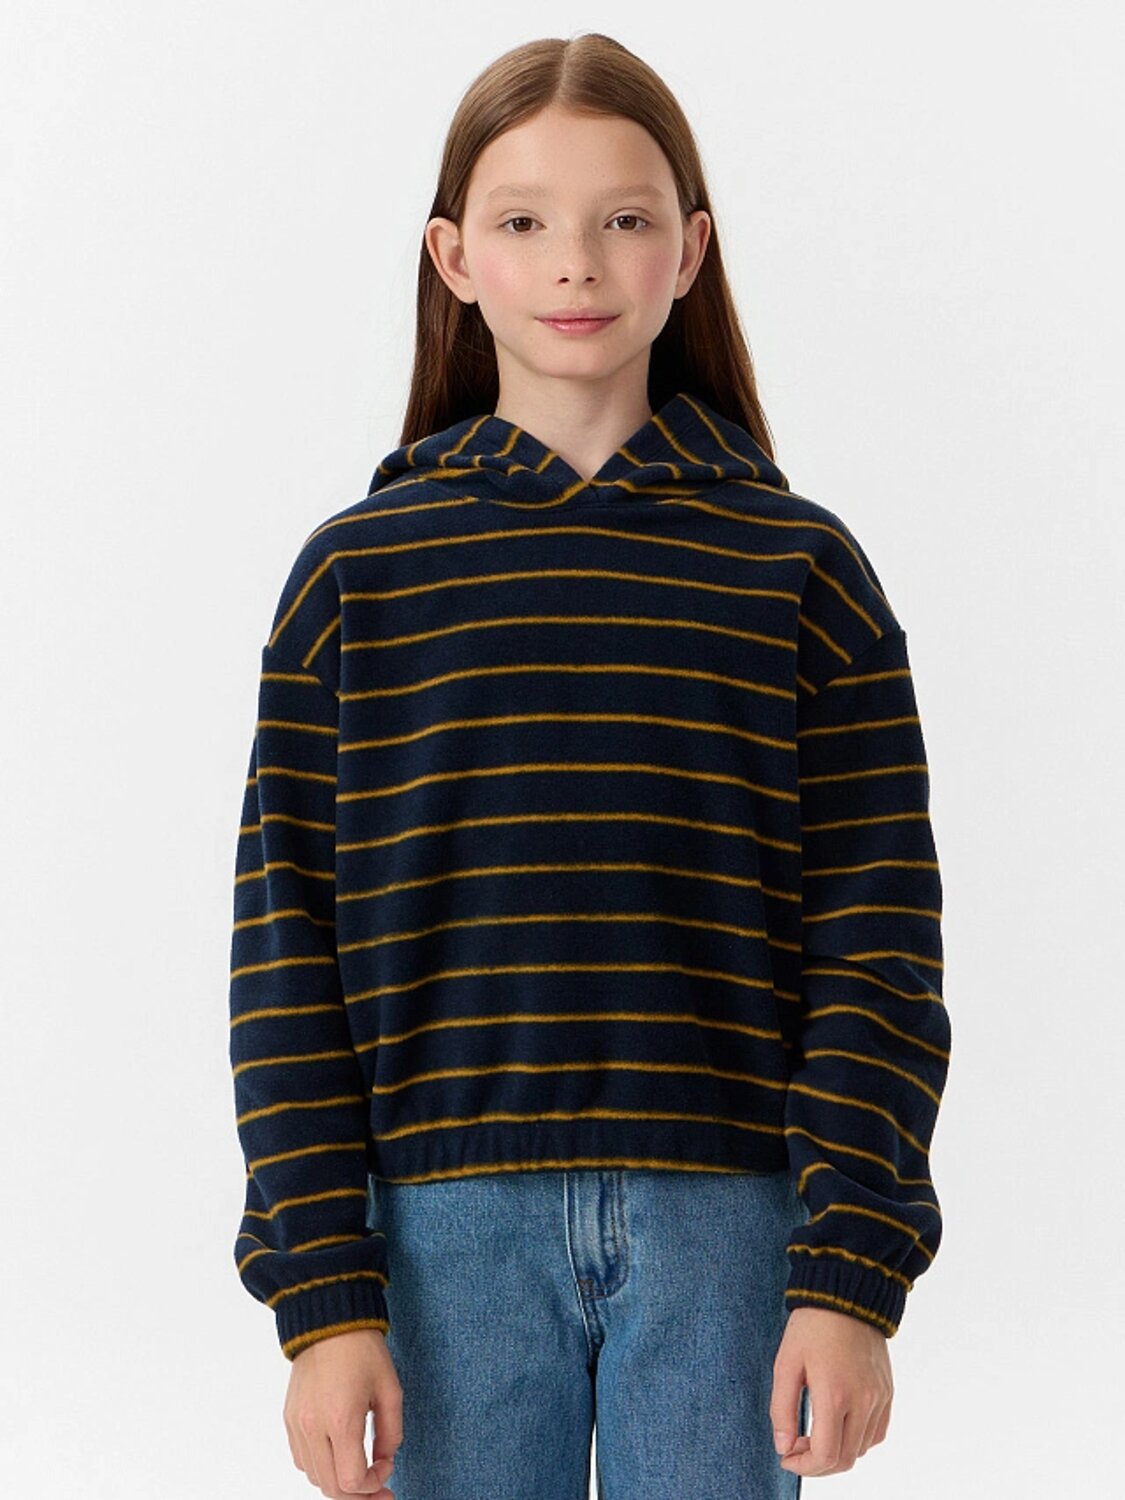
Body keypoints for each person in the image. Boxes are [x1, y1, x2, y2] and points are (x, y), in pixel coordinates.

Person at [227, 31, 950, 1500]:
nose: (574, 262)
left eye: (623, 218)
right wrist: (324, 1298)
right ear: (453, 257)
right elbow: (286, 947)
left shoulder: (799, 572)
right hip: (439, 1232)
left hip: (732, 1224)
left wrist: (850, 1274)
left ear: (689, 252)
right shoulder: (360, 578)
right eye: (522, 220)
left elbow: (876, 938)